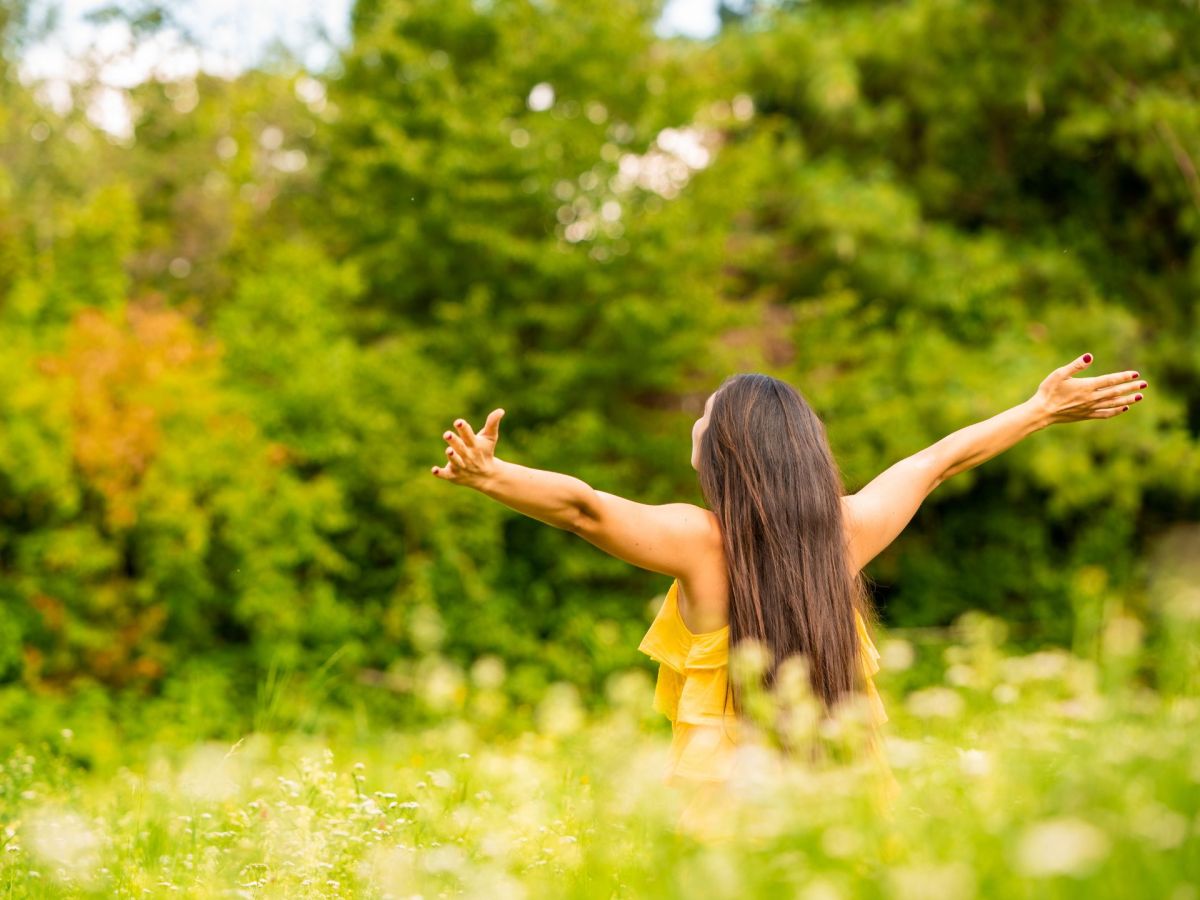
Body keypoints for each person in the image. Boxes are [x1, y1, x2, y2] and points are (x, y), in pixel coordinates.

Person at [430, 352, 1147, 839]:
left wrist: (496, 477)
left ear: (726, 449)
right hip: (838, 809)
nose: (695, 422)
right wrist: (1038, 410)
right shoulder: (849, 531)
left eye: (705, 415)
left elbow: (584, 508)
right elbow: (937, 461)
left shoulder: (697, 541)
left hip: (724, 825)